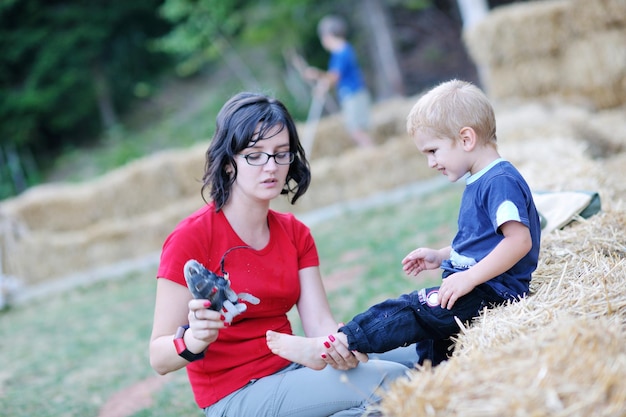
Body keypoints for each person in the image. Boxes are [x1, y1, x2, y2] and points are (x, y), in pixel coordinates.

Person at [149, 92, 409, 417]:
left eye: (281, 154)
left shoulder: (295, 233)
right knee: (398, 380)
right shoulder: (191, 238)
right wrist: (192, 341)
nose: (271, 167)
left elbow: (318, 323)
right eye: (255, 155)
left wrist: (337, 344)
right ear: (229, 162)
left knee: (420, 355)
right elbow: (159, 358)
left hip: (295, 370)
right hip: (236, 395)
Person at [266, 79, 542, 368]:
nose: (430, 163)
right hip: (479, 287)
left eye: (433, 151)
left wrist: (469, 278)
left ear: (466, 139)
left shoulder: (499, 182)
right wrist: (440, 255)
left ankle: (339, 343)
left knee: (411, 310)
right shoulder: (482, 179)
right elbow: (484, 242)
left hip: (491, 292)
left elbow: (519, 241)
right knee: (434, 341)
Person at [302, 14, 374, 147]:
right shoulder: (343, 51)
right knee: (359, 129)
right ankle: (369, 150)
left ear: (327, 36)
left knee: (355, 130)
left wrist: (316, 74)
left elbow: (334, 77)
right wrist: (322, 86)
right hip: (355, 93)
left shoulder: (341, 52)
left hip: (353, 94)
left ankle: (371, 151)